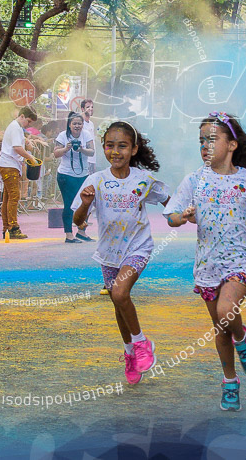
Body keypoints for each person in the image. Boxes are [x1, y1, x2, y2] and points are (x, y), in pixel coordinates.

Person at [165, 113, 246, 412]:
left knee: (227, 312)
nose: (205, 146)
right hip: (207, 264)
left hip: (240, 259)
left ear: (232, 144)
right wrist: (181, 217)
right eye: (201, 141)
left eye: (212, 139)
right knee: (219, 327)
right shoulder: (194, 180)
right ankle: (230, 381)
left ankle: (243, 337)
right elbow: (172, 216)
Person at [72, 121, 170, 385]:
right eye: (110, 146)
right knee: (119, 303)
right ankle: (129, 353)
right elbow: (78, 221)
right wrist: (85, 203)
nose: (116, 151)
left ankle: (141, 343)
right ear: (104, 148)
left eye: (123, 146)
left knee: (119, 293)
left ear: (134, 149)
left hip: (138, 247)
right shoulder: (96, 181)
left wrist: (184, 215)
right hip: (108, 253)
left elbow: (169, 202)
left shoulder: (143, 180)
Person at [0, 107, 39, 240]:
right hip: (9, 165)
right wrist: (30, 157)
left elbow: (19, 143)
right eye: (28, 121)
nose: (28, 124)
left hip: (9, 164)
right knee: (14, 196)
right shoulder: (15, 127)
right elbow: (17, 147)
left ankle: (7, 228)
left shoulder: (16, 127)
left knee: (8, 198)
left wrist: (27, 141)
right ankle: (13, 227)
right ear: (22, 116)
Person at [53, 112, 95, 243]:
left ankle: (82, 231)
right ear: (69, 125)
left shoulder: (86, 134)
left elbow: (92, 151)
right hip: (66, 175)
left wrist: (81, 149)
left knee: (87, 203)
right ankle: (69, 234)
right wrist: (66, 148)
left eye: (79, 123)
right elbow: (56, 153)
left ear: (83, 125)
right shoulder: (62, 135)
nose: (77, 126)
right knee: (69, 204)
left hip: (83, 174)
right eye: (74, 123)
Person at [80, 99, 98, 174]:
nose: (90, 109)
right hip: (84, 158)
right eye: (88, 107)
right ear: (82, 109)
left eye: (92, 107)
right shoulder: (79, 123)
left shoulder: (91, 124)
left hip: (92, 158)